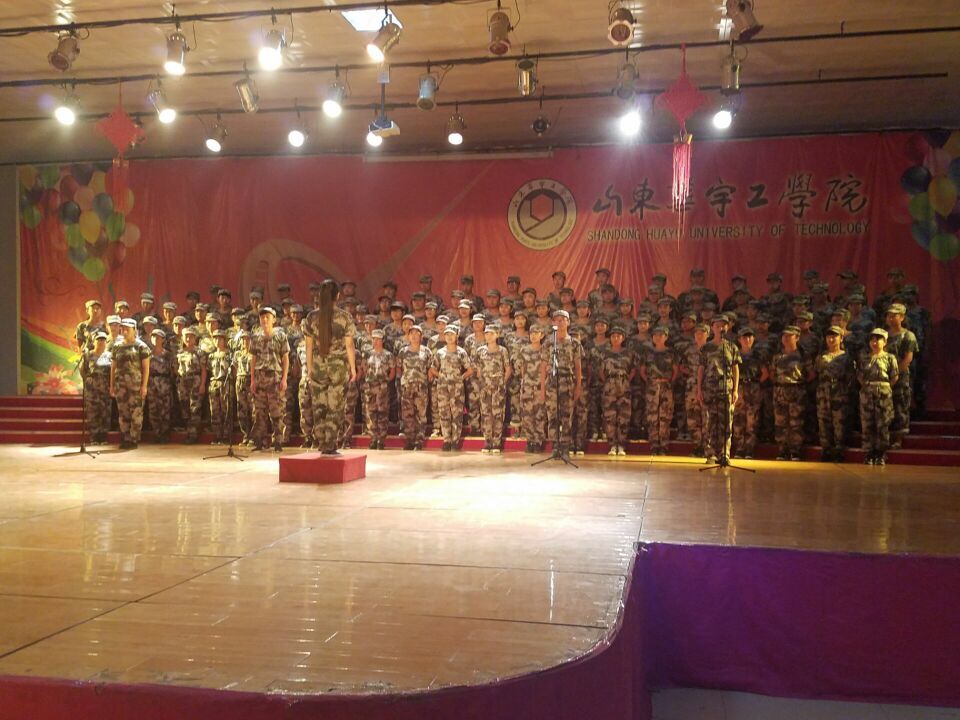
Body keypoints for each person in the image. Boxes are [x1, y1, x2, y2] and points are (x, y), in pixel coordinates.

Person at [303, 279, 356, 455]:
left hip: (318, 366)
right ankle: (330, 442)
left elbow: (308, 346)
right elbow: (349, 345)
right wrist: (353, 369)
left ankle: (321, 441)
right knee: (335, 406)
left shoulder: (311, 317)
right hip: (338, 367)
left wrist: (309, 368)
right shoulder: (344, 317)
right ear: (337, 296)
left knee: (319, 405)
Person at [698, 316, 742, 463]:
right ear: (712, 328)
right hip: (709, 389)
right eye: (717, 326)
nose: (720, 328)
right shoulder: (706, 348)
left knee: (726, 422)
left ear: (727, 328)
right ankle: (710, 453)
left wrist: (735, 390)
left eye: (723, 326)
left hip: (726, 389)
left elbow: (735, 369)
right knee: (709, 422)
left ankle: (724, 453)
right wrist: (699, 389)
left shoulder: (731, 347)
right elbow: (701, 369)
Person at [540, 310, 583, 457]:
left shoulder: (575, 343)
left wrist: (578, 387)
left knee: (566, 416)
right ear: (553, 323)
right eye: (557, 320)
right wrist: (542, 388)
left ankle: (565, 446)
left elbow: (578, 367)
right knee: (552, 416)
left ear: (568, 322)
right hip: (552, 383)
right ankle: (555, 446)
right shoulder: (548, 343)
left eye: (563, 319)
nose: (560, 322)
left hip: (568, 382)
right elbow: (543, 366)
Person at [250, 306, 290, 452]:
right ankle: (259, 441)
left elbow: (285, 359)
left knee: (277, 411)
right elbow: (253, 359)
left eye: (267, 317)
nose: (264, 320)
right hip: (260, 377)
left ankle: (278, 441)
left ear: (274, 319)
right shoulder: (255, 337)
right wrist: (252, 380)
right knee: (259, 411)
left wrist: (284, 378)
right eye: (262, 317)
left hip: (275, 378)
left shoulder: (280, 336)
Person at [858, 328, 900, 465]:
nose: (875, 343)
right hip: (867, 393)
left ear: (885, 342)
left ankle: (881, 452)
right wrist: (868, 387)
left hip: (883, 393)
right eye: (872, 340)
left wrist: (883, 387)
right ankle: (870, 452)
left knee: (883, 422)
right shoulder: (864, 358)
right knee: (868, 423)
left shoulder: (890, 357)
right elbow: (860, 376)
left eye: (878, 340)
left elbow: (894, 377)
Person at [771, 326, 811, 461]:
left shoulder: (803, 355)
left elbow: (811, 374)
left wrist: (799, 383)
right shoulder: (777, 356)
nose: (786, 339)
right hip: (780, 391)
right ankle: (782, 450)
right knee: (780, 422)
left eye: (790, 336)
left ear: (797, 337)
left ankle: (795, 451)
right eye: (784, 336)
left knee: (796, 422)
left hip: (796, 391)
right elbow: (772, 373)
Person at [110, 318, 150, 450]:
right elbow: (113, 367)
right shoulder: (117, 346)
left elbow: (146, 368)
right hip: (120, 386)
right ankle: (125, 437)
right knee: (123, 413)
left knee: (136, 412)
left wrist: (144, 386)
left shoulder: (141, 346)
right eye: (123, 328)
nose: (125, 331)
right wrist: (112, 385)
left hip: (135, 386)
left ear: (134, 330)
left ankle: (133, 439)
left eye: (128, 328)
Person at [815, 326, 854, 462]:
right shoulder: (821, 357)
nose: (831, 339)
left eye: (835, 336)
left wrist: (844, 391)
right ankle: (826, 449)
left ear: (841, 338)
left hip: (839, 392)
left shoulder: (846, 357)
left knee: (839, 422)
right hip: (823, 393)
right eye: (829, 336)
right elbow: (816, 374)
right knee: (823, 422)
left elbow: (850, 377)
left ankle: (839, 450)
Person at [884, 303, 917, 448]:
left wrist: (895, 374)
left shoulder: (908, 335)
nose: (891, 318)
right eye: (889, 315)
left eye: (894, 316)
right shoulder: (883, 335)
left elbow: (908, 359)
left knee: (899, 407)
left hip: (900, 377)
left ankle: (898, 439)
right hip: (884, 378)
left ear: (902, 317)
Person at [475, 325, 511, 454]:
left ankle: (497, 442)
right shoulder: (480, 351)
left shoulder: (502, 350)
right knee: (486, 414)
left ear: (497, 335)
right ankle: (487, 441)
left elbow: (508, 369)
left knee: (498, 414)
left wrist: (502, 383)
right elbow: (478, 370)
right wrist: (482, 382)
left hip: (498, 387)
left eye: (491, 333)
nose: (488, 336)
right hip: (485, 387)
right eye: (486, 334)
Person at [642, 326, 677, 455]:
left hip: (666, 386)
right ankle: (654, 445)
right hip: (652, 387)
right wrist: (651, 381)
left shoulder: (671, 352)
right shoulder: (648, 353)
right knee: (652, 417)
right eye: (655, 335)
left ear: (666, 337)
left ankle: (663, 446)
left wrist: (668, 382)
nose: (658, 337)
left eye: (661, 335)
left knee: (665, 417)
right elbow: (642, 371)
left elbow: (676, 370)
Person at [732, 327, 766, 459]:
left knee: (752, 421)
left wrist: (755, 383)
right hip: (738, 388)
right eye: (744, 337)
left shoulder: (758, 355)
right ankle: (739, 448)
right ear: (739, 339)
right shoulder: (735, 355)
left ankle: (749, 449)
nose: (747, 340)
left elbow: (765, 373)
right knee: (738, 419)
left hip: (753, 388)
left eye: (750, 337)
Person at [601, 326, 635, 457]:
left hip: (624, 386)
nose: (615, 338)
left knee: (624, 416)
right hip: (609, 386)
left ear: (623, 338)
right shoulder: (604, 353)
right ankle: (612, 444)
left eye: (618, 336)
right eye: (613, 336)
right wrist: (609, 381)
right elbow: (600, 371)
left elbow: (633, 370)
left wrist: (624, 380)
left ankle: (621, 445)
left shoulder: (629, 353)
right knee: (610, 416)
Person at [396, 325, 431, 450]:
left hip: (421, 387)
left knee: (421, 415)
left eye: (417, 334)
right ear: (408, 336)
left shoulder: (426, 351)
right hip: (407, 387)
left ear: (421, 336)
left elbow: (430, 369)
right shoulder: (403, 351)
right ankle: (410, 440)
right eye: (412, 334)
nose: (414, 336)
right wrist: (402, 382)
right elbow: (399, 368)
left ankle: (419, 441)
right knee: (407, 414)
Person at [361, 329, 395, 450]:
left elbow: (392, 371)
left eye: (378, 339)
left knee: (382, 413)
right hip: (370, 387)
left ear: (383, 340)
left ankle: (381, 439)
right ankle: (373, 438)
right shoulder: (367, 354)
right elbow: (364, 368)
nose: (375, 341)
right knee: (371, 413)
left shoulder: (388, 355)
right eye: (374, 339)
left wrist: (385, 381)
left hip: (382, 387)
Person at [80, 330, 112, 445]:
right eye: (99, 340)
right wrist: (88, 381)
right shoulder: (88, 355)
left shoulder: (109, 356)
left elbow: (113, 371)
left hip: (105, 386)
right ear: (94, 342)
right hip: (91, 387)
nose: (101, 342)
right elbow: (82, 370)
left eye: (103, 340)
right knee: (92, 412)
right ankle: (94, 437)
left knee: (105, 411)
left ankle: (103, 437)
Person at [176, 326, 206, 444]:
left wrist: (202, 384)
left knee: (195, 408)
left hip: (195, 381)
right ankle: (189, 432)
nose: (188, 339)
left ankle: (193, 435)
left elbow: (204, 370)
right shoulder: (179, 353)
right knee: (185, 409)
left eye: (191, 337)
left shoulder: (199, 352)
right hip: (183, 382)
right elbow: (175, 369)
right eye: (186, 336)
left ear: (195, 338)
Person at [146, 329, 175, 443]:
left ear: (163, 340)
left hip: (164, 382)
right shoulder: (147, 354)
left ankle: (164, 433)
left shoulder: (168, 355)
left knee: (165, 409)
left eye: (158, 337)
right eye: (153, 337)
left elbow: (172, 370)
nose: (155, 339)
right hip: (151, 383)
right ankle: (156, 433)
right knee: (153, 409)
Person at [206, 330, 232, 445]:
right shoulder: (211, 356)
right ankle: (217, 435)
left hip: (225, 382)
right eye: (215, 338)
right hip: (214, 383)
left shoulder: (229, 354)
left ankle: (226, 435)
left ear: (224, 340)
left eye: (220, 338)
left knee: (226, 410)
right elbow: (208, 370)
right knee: (215, 410)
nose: (217, 341)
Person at [233, 331, 254, 447]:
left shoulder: (254, 353)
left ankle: (254, 437)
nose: (245, 341)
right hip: (240, 380)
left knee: (253, 409)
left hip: (251, 380)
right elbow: (235, 368)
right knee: (242, 409)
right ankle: (246, 435)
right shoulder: (237, 354)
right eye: (243, 339)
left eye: (247, 339)